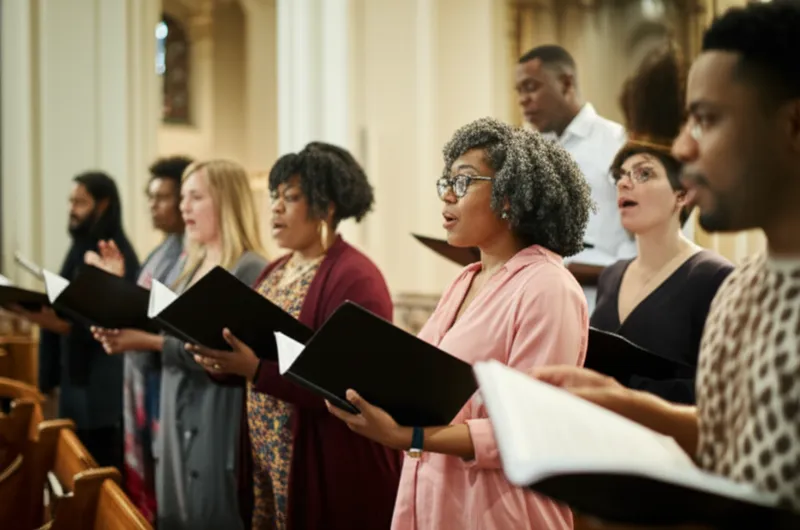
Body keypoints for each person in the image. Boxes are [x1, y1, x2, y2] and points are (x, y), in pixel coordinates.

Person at [535, 1, 800, 514]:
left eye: (706, 121)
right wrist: (619, 401)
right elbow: (728, 435)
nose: (682, 148)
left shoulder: (713, 279)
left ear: (792, 125)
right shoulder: (743, 289)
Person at [326, 118, 593, 529]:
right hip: (434, 496)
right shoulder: (466, 279)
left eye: (464, 182)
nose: (448, 195)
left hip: (501, 511)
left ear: (509, 197)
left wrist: (409, 437)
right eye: (446, 182)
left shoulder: (548, 286)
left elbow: (531, 427)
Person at [191, 142, 402, 530]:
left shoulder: (356, 277)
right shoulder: (275, 269)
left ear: (326, 207)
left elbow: (348, 383)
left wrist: (256, 370)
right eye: (275, 196)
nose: (275, 208)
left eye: (290, 198)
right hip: (269, 454)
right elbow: (256, 348)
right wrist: (221, 359)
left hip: (325, 460)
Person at [92, 160, 267, 529]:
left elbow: (218, 352)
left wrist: (148, 342)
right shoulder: (192, 263)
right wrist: (114, 292)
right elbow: (165, 327)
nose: (184, 207)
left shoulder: (250, 268)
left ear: (227, 201)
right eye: (183, 197)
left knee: (211, 513)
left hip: (215, 411)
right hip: (174, 406)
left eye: (196, 197)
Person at [591, 44, 733, 405]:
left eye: (644, 174)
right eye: (621, 175)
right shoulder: (611, 277)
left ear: (681, 193)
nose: (625, 183)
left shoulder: (714, 278)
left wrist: (623, 397)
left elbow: (721, 395)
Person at [86, 156, 192, 524]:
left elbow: (172, 322)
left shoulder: (192, 256)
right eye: (150, 196)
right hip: (144, 377)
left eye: (162, 197)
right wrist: (114, 283)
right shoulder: (159, 252)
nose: (152, 205)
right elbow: (141, 307)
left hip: (171, 380)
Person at [10, 171, 140, 470]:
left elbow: (115, 319)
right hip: (75, 375)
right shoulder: (80, 245)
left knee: (97, 464)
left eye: (80, 202)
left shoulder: (115, 251)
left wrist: (55, 323)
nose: (72, 209)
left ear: (103, 204)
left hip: (101, 382)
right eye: (71, 201)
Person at [515, 44, 633, 312]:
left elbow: (646, 238)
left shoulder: (616, 143)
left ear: (566, 83)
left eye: (531, 87)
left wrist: (574, 268)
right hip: (540, 304)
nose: (523, 99)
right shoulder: (531, 151)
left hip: (602, 306)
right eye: (519, 91)